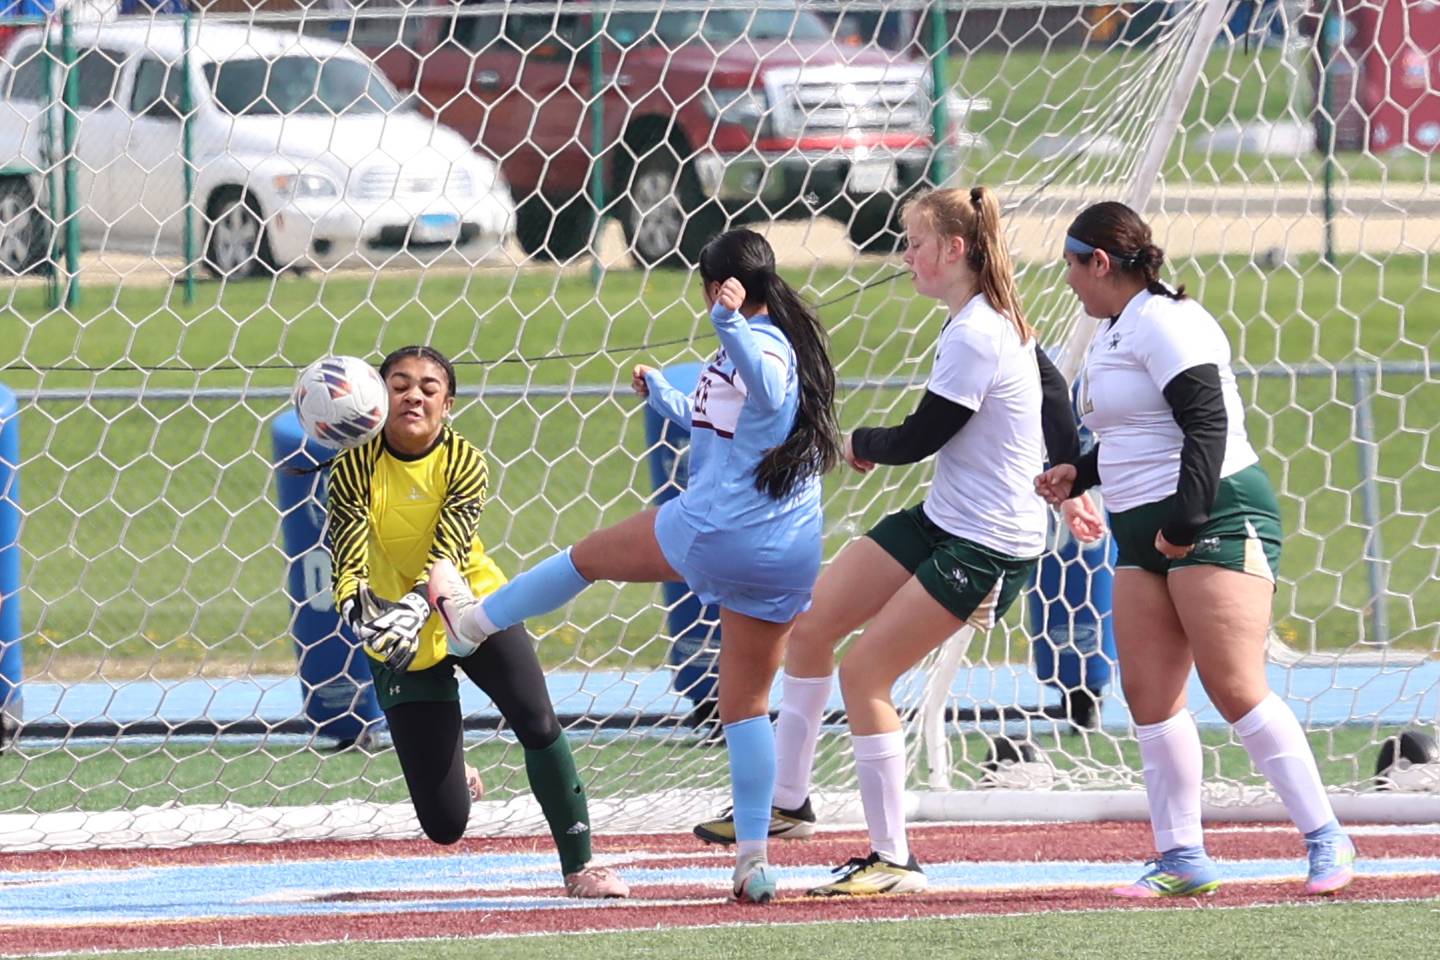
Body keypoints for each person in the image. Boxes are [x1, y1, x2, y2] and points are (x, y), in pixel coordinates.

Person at [429, 228, 843, 904]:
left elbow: (771, 391)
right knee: (744, 706)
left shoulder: (762, 343)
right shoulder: (759, 343)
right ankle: (753, 861)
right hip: (787, 553)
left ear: (720, 287)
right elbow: (731, 427)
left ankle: (473, 622)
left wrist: (728, 324)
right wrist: (667, 398)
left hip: (721, 530)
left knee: (586, 558)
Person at [696, 187, 1080, 897]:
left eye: (915, 243)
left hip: (989, 544)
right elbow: (1051, 391)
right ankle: (787, 804)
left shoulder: (977, 331)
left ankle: (893, 859)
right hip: (946, 519)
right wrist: (1074, 479)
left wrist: (862, 444)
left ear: (954, 250)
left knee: (865, 676)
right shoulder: (990, 317)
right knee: (811, 628)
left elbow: (928, 432)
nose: (907, 255)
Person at [1034, 201, 1356, 898]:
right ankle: (1182, 857)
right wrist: (1079, 474)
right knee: (1148, 693)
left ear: (1100, 262)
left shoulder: (1168, 321)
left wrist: (1185, 523)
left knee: (1234, 686)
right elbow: (1132, 432)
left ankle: (1326, 836)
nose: (1066, 281)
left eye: (1070, 265)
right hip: (1141, 531)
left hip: (1213, 515)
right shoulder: (1115, 331)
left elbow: (1207, 424)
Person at [324, 345, 628, 899]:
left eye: (429, 387)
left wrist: (418, 607)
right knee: (445, 826)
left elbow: (448, 551)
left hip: (472, 607)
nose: (413, 394)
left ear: (448, 405)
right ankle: (456, 771)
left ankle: (581, 865)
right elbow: (346, 559)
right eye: (399, 383)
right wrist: (360, 614)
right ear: (376, 396)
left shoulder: (464, 461)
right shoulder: (351, 466)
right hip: (398, 635)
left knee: (536, 720)